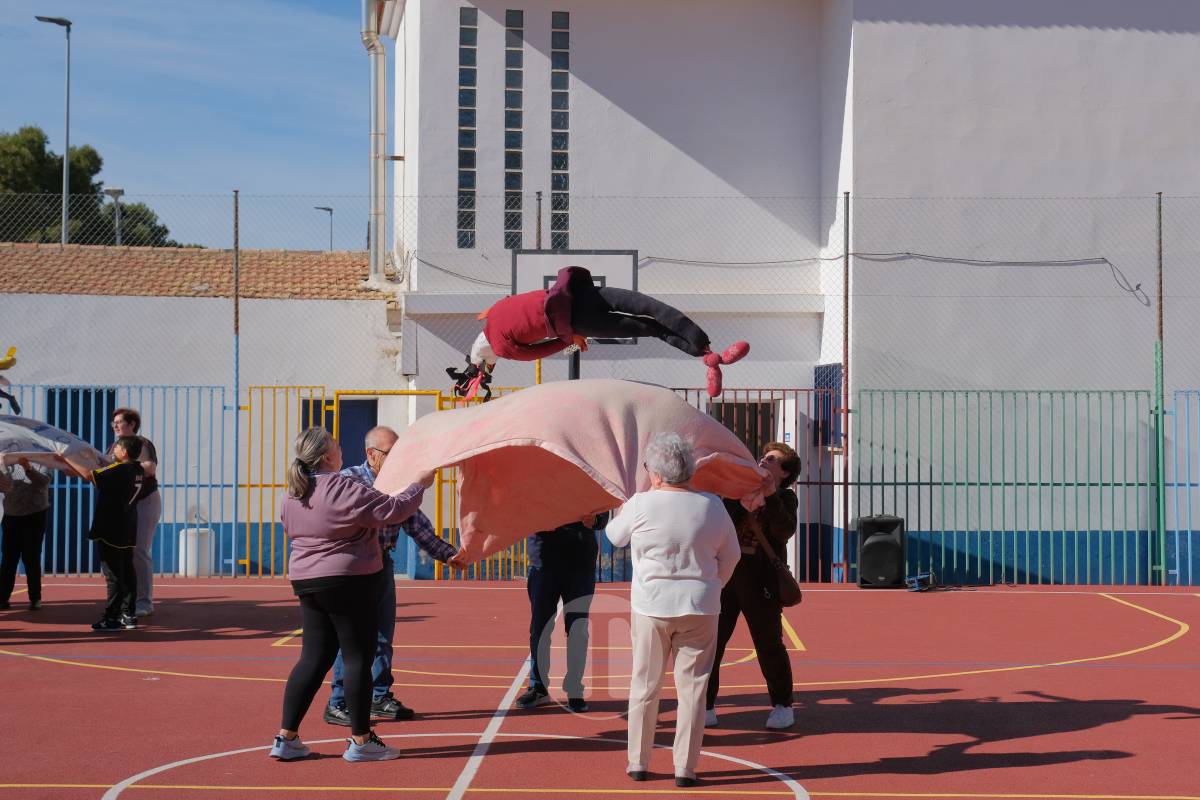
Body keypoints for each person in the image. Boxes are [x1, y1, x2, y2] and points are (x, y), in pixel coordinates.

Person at [268, 427, 434, 763]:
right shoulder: (343, 486)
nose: (342, 450)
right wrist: (419, 485)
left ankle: (286, 737)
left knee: (313, 658)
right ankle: (361, 740)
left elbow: (290, 527)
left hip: (306, 581)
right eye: (337, 446)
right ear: (328, 456)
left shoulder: (292, 493)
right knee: (358, 656)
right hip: (348, 579)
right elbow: (392, 510)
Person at [605, 432, 740, 788]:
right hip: (700, 605)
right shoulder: (712, 505)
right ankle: (686, 767)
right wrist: (713, 586)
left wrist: (627, 504)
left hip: (652, 605)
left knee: (645, 685)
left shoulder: (641, 504)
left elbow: (614, 537)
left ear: (655, 472)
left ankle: (638, 761)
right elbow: (732, 555)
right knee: (693, 690)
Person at [323, 426, 466, 727]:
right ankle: (339, 701)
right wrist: (416, 487)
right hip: (354, 567)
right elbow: (382, 510)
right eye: (391, 453)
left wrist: (449, 554)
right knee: (350, 639)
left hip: (381, 565)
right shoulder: (350, 480)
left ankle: (378, 694)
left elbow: (416, 523)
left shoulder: (401, 483)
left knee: (383, 637)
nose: (399, 459)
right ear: (371, 455)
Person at [705, 441, 801, 730]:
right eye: (763, 456)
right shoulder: (737, 494)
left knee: (768, 644)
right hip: (727, 576)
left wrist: (770, 495)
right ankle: (706, 705)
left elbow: (783, 530)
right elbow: (720, 526)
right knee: (712, 644)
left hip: (761, 580)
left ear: (784, 472)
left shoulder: (786, 498)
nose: (763, 460)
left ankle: (782, 705)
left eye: (771, 459)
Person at [514, 510, 610, 712]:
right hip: (543, 560)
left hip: (580, 561)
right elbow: (520, 507)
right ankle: (538, 687)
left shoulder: (592, 479)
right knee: (539, 628)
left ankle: (575, 689)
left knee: (577, 629)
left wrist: (597, 520)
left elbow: (604, 511)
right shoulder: (534, 481)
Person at [58, 436, 145, 631]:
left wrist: (66, 457)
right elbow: (100, 475)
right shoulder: (138, 470)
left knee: (113, 574)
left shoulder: (119, 469)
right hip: (128, 527)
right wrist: (78, 471)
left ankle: (112, 618)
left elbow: (91, 475)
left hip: (111, 528)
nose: (114, 449)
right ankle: (128, 614)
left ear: (124, 451)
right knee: (127, 571)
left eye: (117, 446)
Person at [108, 408, 161, 618]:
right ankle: (127, 598)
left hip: (145, 501)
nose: (115, 425)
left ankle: (145, 602)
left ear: (131, 424)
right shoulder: (113, 446)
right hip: (124, 505)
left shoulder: (142, 443)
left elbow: (149, 468)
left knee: (140, 551)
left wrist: (125, 463)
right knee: (125, 553)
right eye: (113, 422)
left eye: (119, 422)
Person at [0, 453, 51, 610]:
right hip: (11, 515)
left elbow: (43, 483)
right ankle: (3, 598)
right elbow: (5, 485)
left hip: (34, 514)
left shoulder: (40, 460)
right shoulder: (4, 462)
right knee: (8, 559)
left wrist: (28, 467)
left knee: (31, 558)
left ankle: (35, 598)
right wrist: (2, 465)